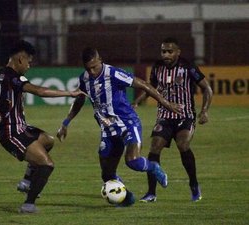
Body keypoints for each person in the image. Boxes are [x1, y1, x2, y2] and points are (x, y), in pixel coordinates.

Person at [0, 40, 86, 213]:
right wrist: (70, 93)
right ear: (20, 59)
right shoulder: (14, 78)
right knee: (47, 165)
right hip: (11, 133)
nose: (29, 66)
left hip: (21, 128)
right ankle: (29, 204)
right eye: (29, 62)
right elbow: (40, 91)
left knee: (48, 141)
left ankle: (26, 181)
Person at [56, 47, 183, 207]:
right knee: (107, 174)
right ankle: (126, 199)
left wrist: (167, 104)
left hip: (128, 123)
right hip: (108, 130)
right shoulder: (85, 79)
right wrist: (65, 123)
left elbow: (143, 84)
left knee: (133, 161)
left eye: (94, 67)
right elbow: (79, 100)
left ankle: (153, 167)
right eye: (88, 68)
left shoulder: (113, 73)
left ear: (100, 60)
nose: (92, 71)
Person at [133, 37, 213, 202]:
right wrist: (137, 101)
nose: (166, 55)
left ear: (178, 52)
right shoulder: (157, 67)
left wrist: (204, 111)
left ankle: (193, 184)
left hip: (185, 116)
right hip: (164, 116)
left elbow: (207, 89)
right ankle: (151, 193)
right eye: (163, 51)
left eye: (170, 51)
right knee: (154, 147)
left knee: (183, 144)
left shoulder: (188, 66)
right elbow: (151, 88)